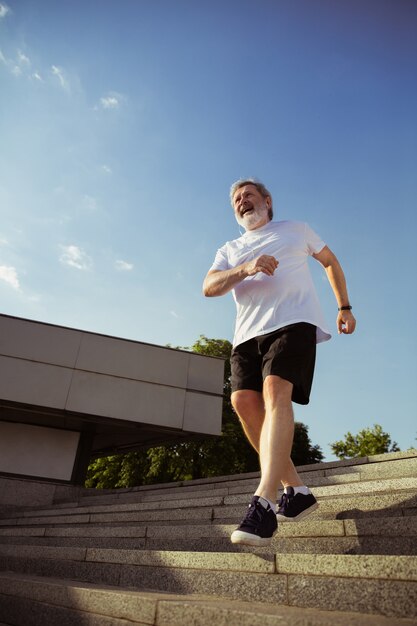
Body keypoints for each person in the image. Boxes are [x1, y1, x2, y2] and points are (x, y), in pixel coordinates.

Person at [203, 179, 356, 547]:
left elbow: (330, 261)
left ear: (268, 201)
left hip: (294, 322)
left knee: (275, 394)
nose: (242, 202)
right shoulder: (230, 248)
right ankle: (296, 491)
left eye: (249, 195)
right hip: (246, 336)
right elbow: (209, 286)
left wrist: (344, 306)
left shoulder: (295, 230)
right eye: (236, 200)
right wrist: (246, 267)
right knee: (243, 403)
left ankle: (264, 502)